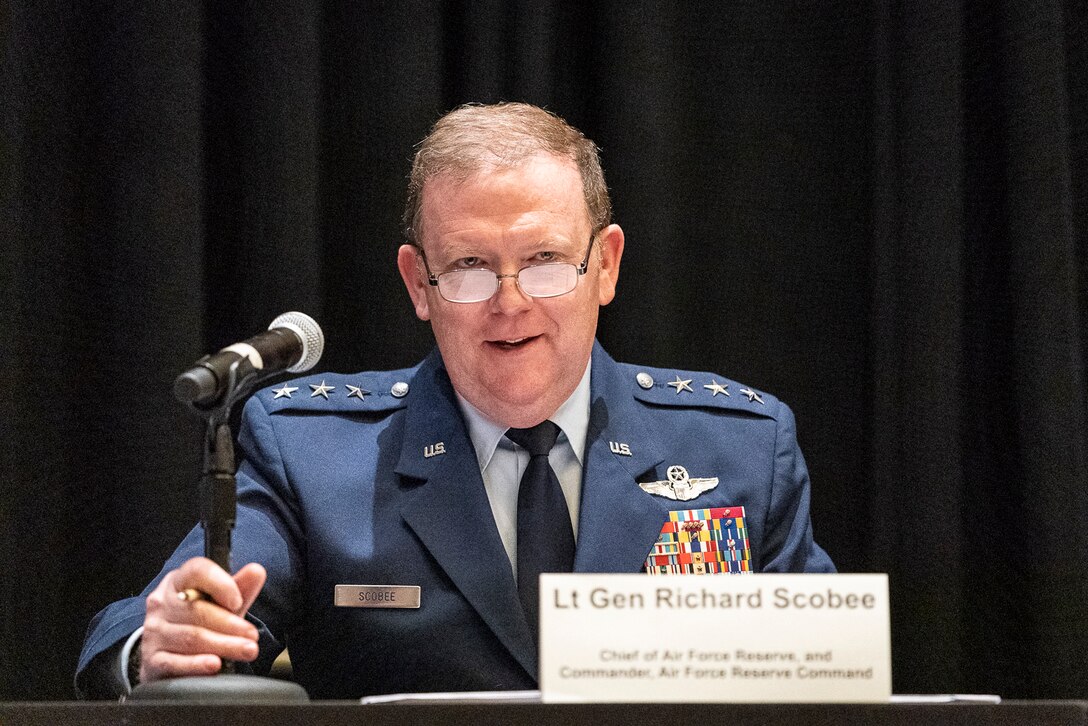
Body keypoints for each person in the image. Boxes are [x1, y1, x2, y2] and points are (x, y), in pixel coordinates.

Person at [76, 102, 834, 699]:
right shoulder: (315, 456)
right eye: (470, 266)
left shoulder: (735, 448)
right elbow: (155, 622)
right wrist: (161, 643)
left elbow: (832, 674)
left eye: (544, 263)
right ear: (418, 283)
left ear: (604, 266)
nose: (510, 304)